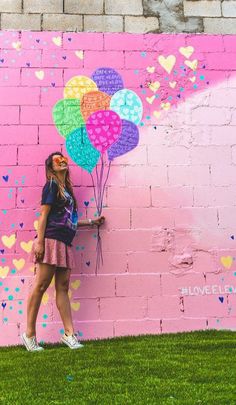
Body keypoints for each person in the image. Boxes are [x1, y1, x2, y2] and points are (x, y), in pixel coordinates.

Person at [21, 152, 105, 352]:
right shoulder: (51, 185)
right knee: (40, 286)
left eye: (63, 158)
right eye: (57, 160)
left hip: (65, 242)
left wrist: (92, 222)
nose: (62, 161)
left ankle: (69, 334)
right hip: (50, 241)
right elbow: (44, 215)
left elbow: (70, 221)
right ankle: (29, 335)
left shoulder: (66, 189)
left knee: (63, 287)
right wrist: (39, 242)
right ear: (51, 166)